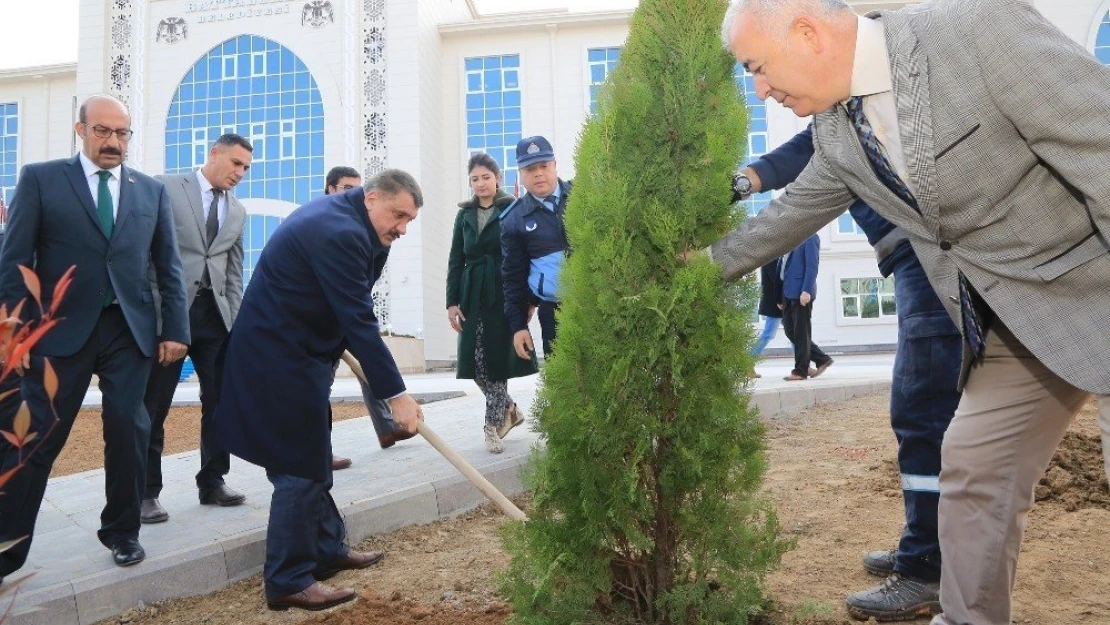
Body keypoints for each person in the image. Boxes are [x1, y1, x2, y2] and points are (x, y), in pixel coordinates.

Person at [713, 1, 1110, 623]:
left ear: (808, 32)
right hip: (1009, 320)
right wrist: (681, 273)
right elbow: (786, 219)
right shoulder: (838, 134)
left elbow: (1103, 145)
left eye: (758, 68)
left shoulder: (976, 31)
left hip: (1099, 287)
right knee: (974, 470)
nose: (761, 90)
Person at [736, 123, 962, 619]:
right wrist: (744, 180)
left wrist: (707, 262)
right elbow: (808, 146)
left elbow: (794, 210)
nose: (764, 89)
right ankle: (926, 544)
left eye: (764, 67)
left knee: (922, 411)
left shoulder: (866, 98)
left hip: (932, 255)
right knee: (929, 414)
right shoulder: (841, 113)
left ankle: (927, 566)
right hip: (917, 259)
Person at [213, 169, 424, 611]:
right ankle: (288, 578)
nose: (402, 228)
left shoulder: (361, 229)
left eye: (409, 220)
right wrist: (396, 395)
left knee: (310, 458)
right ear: (370, 199)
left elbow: (345, 304)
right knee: (299, 468)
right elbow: (359, 319)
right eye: (398, 215)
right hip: (276, 358)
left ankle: (326, 549)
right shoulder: (339, 232)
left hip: (300, 353)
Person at [0, 95, 189, 579]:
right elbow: (14, 261)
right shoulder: (42, 179)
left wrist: (176, 330)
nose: (114, 142)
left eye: (122, 133)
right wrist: (15, 332)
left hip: (129, 330)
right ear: (80, 130)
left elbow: (167, 267)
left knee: (129, 428)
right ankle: (7, 547)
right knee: (37, 438)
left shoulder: (149, 191)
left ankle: (123, 532)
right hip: (59, 331)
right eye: (103, 131)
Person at [139, 134, 251, 525]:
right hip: (169, 313)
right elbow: (142, 249)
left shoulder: (237, 212)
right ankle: (146, 492)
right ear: (214, 154)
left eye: (246, 169)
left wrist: (235, 326)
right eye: (236, 163)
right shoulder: (165, 187)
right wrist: (149, 311)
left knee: (220, 402)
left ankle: (213, 480)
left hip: (215, 320)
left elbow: (233, 274)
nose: (240, 173)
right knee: (154, 404)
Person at [324, 166, 415, 464]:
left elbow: (364, 287)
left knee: (371, 364)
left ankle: (387, 426)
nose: (355, 194)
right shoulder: (330, 227)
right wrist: (399, 395)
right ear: (330, 190)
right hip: (321, 321)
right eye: (347, 188)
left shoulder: (379, 234)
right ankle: (318, 449)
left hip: (349, 313)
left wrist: (397, 393)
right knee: (320, 381)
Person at [447, 153, 537, 454]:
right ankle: (509, 407)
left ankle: (491, 427)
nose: (481, 183)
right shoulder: (464, 215)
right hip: (472, 292)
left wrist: (528, 298)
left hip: (504, 289)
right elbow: (455, 260)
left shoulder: (512, 208)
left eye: (486, 177)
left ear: (497, 178)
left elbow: (524, 255)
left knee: (495, 361)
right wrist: (452, 302)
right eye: (475, 178)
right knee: (475, 364)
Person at [500, 136, 571, 362]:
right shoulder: (513, 219)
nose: (538, 173)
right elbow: (513, 277)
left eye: (544, 166)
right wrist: (518, 326)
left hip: (597, 303)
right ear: (520, 173)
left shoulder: (583, 196)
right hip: (554, 311)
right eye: (530, 169)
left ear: (555, 165)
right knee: (563, 380)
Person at [779, 234, 832, 381]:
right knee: (790, 330)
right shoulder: (789, 239)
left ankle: (800, 371)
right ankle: (822, 358)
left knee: (801, 333)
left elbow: (812, 265)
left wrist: (806, 290)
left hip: (801, 292)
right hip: (788, 291)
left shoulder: (810, 237)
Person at [749, 257, 784, 378]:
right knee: (768, 334)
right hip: (776, 304)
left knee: (794, 333)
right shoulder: (771, 258)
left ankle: (804, 365)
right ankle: (747, 363)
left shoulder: (774, 257)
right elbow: (776, 280)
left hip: (777, 303)